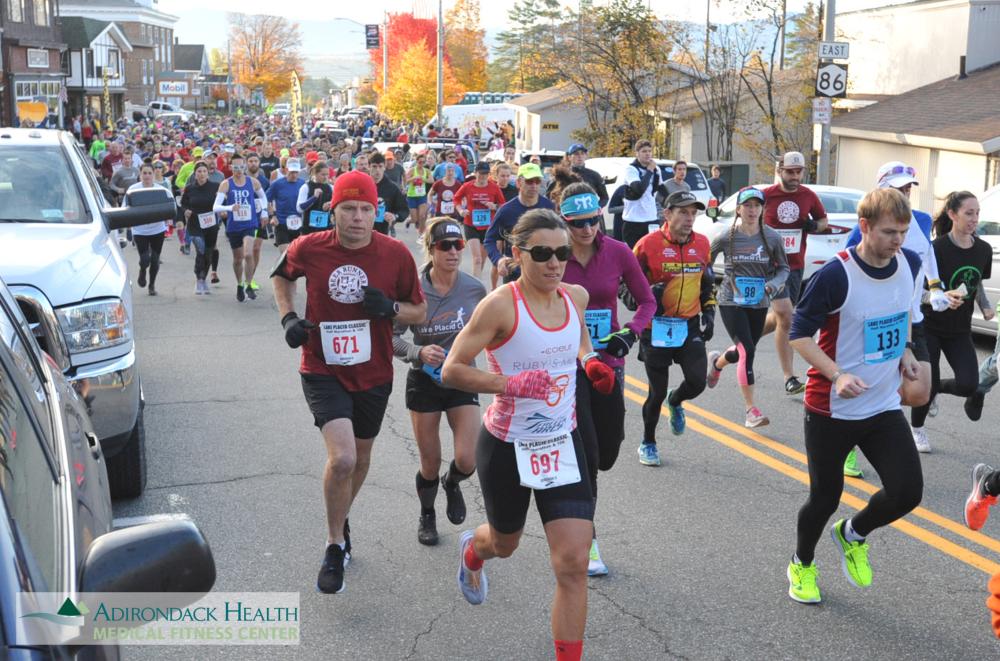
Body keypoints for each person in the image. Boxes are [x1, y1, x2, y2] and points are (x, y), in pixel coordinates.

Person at [441, 209, 616, 661]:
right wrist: (508, 384)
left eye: (562, 252)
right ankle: (473, 552)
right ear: (518, 254)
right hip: (508, 444)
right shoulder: (500, 305)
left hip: (562, 442)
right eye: (542, 253)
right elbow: (452, 369)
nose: (555, 262)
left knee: (573, 563)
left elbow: (575, 341)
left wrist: (589, 359)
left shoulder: (574, 296)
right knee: (505, 543)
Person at [271, 170, 427, 594]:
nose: (358, 217)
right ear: (333, 210)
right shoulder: (310, 247)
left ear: (377, 212)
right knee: (341, 460)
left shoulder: (394, 254)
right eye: (349, 208)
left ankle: (341, 516)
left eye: (365, 209)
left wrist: (391, 307)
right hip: (322, 366)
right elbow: (281, 275)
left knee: (359, 459)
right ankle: (334, 543)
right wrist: (288, 317)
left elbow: (419, 312)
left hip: (374, 371)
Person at [786, 187, 923, 604]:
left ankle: (853, 534)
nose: (897, 241)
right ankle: (802, 563)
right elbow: (798, 335)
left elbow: (901, 313)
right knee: (824, 498)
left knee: (907, 492)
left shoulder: (910, 263)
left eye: (902, 231)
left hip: (881, 404)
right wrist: (837, 373)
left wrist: (906, 351)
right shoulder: (836, 274)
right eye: (888, 232)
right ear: (864, 227)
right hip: (832, 407)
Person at [559, 182, 655, 575]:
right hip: (567, 365)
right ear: (564, 222)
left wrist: (630, 332)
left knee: (610, 450)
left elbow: (647, 300)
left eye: (592, 220)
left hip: (608, 363)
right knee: (589, 454)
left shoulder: (617, 252)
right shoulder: (554, 255)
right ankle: (588, 541)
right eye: (577, 223)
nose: (586, 229)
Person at [840, 161, 947, 475]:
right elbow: (846, 269)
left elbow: (926, 255)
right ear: (881, 189)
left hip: (910, 317)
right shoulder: (863, 230)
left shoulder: (923, 220)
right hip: (873, 319)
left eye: (908, 187)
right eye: (897, 187)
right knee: (873, 385)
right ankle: (851, 438)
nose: (904, 193)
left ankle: (868, 414)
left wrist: (936, 287)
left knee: (919, 392)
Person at [393, 218, 487, 545]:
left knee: (468, 458)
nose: (452, 251)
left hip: (462, 378)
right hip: (425, 382)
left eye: (458, 245)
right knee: (429, 462)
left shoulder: (474, 288)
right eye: (444, 246)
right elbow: (391, 338)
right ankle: (427, 514)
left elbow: (491, 331)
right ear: (430, 249)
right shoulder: (414, 289)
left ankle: (453, 482)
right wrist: (418, 352)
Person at [633, 191, 714, 466]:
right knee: (655, 393)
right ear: (667, 214)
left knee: (697, 381)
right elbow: (626, 286)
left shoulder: (702, 244)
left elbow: (707, 282)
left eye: (693, 213)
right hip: (656, 327)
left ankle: (676, 400)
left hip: (688, 324)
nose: (689, 218)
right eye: (683, 212)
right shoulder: (647, 245)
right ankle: (648, 442)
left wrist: (710, 312)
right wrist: (645, 295)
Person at [909, 191, 994, 452]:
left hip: (959, 330)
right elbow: (917, 292)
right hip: (931, 327)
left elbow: (975, 280)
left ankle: (937, 390)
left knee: (969, 384)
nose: (974, 219)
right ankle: (918, 430)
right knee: (925, 386)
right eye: (969, 213)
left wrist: (985, 305)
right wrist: (938, 296)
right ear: (952, 214)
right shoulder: (935, 250)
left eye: (977, 213)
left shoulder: (983, 249)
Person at [707, 187, 790, 427]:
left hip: (759, 301)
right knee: (747, 351)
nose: (752, 210)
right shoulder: (726, 236)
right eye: (748, 206)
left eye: (757, 206)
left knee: (745, 348)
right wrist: (709, 288)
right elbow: (706, 264)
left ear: (762, 209)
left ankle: (716, 363)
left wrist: (773, 286)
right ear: (739, 209)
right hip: (731, 301)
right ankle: (750, 410)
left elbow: (784, 268)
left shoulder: (772, 237)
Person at [761, 151, 829, 395]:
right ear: (780, 170)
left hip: (795, 266)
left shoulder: (808, 196)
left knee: (781, 317)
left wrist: (814, 226)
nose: (795, 176)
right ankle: (789, 377)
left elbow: (823, 220)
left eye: (799, 171)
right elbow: (745, 220)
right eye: (790, 171)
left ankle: (745, 340)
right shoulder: (766, 196)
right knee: (787, 316)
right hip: (769, 266)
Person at [484, 163, 556, 284]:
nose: (534, 185)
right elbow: (489, 240)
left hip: (543, 270)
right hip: (515, 273)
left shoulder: (548, 207)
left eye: (537, 181)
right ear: (518, 183)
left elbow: (559, 237)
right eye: (529, 181)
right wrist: (498, 260)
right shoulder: (506, 210)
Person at [213, 152, 270, 302]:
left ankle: (248, 284)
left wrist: (264, 212)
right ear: (231, 167)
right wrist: (230, 207)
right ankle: (239, 284)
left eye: (241, 166)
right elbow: (215, 207)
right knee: (238, 259)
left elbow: (263, 198)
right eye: (235, 167)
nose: (238, 169)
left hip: (250, 223)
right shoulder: (226, 184)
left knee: (248, 254)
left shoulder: (253, 182)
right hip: (233, 226)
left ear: (245, 166)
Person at [124, 162, 176, 296]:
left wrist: (170, 219)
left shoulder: (162, 190)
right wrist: (128, 223)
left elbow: (172, 206)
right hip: (140, 230)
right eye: (144, 173)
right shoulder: (133, 190)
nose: (147, 176)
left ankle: (152, 285)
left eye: (149, 173)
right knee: (145, 259)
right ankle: (142, 271)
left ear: (154, 174)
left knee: (155, 259)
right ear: (140, 175)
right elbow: (125, 207)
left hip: (157, 229)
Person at [455, 161, 506, 278]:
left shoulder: (494, 187)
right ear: (475, 173)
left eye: (486, 174)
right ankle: (475, 288)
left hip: (488, 227)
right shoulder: (467, 186)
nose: (483, 176)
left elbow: (503, 204)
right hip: (470, 224)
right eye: (481, 173)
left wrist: (494, 206)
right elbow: (456, 199)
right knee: (477, 258)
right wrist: (461, 211)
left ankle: (477, 281)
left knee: (482, 259)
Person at [180, 162, 221, 295]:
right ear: (195, 174)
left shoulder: (215, 187)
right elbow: (183, 203)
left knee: (208, 253)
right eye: (199, 171)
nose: (202, 174)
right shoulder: (189, 188)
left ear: (208, 173)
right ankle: (199, 279)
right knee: (200, 250)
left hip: (211, 224)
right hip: (195, 224)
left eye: (204, 171)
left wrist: (223, 212)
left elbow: (222, 202)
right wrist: (186, 210)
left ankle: (203, 278)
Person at [620, 140, 668, 248]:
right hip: (633, 220)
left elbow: (662, 189)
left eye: (649, 151)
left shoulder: (656, 169)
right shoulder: (631, 169)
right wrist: (649, 170)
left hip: (651, 218)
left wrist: (671, 205)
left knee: (653, 251)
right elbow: (639, 189)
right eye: (644, 151)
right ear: (637, 153)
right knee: (634, 255)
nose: (647, 154)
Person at [267, 158, 307, 253]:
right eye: (292, 172)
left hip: (299, 224)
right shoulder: (277, 184)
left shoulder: (303, 184)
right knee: (285, 255)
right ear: (286, 170)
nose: (294, 175)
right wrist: (272, 216)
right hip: (281, 223)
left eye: (296, 172)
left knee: (297, 255)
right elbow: (266, 200)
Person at [369, 152, 409, 236]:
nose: (377, 170)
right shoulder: (362, 184)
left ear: (384, 167)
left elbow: (404, 210)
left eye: (380, 166)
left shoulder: (392, 188)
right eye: (374, 166)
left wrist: (395, 216)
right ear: (369, 167)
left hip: (380, 233)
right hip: (361, 232)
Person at [296, 160, 335, 236]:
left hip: (326, 230)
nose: (326, 177)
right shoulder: (306, 187)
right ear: (315, 173)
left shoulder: (331, 188)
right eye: (323, 174)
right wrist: (314, 198)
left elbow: (337, 206)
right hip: (309, 230)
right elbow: (299, 209)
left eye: (327, 174)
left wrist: (331, 204)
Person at [406, 153, 433, 235]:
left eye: (423, 162)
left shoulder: (427, 171)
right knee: (415, 219)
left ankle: (421, 234)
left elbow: (431, 181)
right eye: (420, 162)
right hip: (412, 196)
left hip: (422, 196)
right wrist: (414, 178)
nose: (421, 164)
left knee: (422, 215)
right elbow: (406, 180)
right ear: (416, 161)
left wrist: (423, 178)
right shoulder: (412, 170)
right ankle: (409, 221)